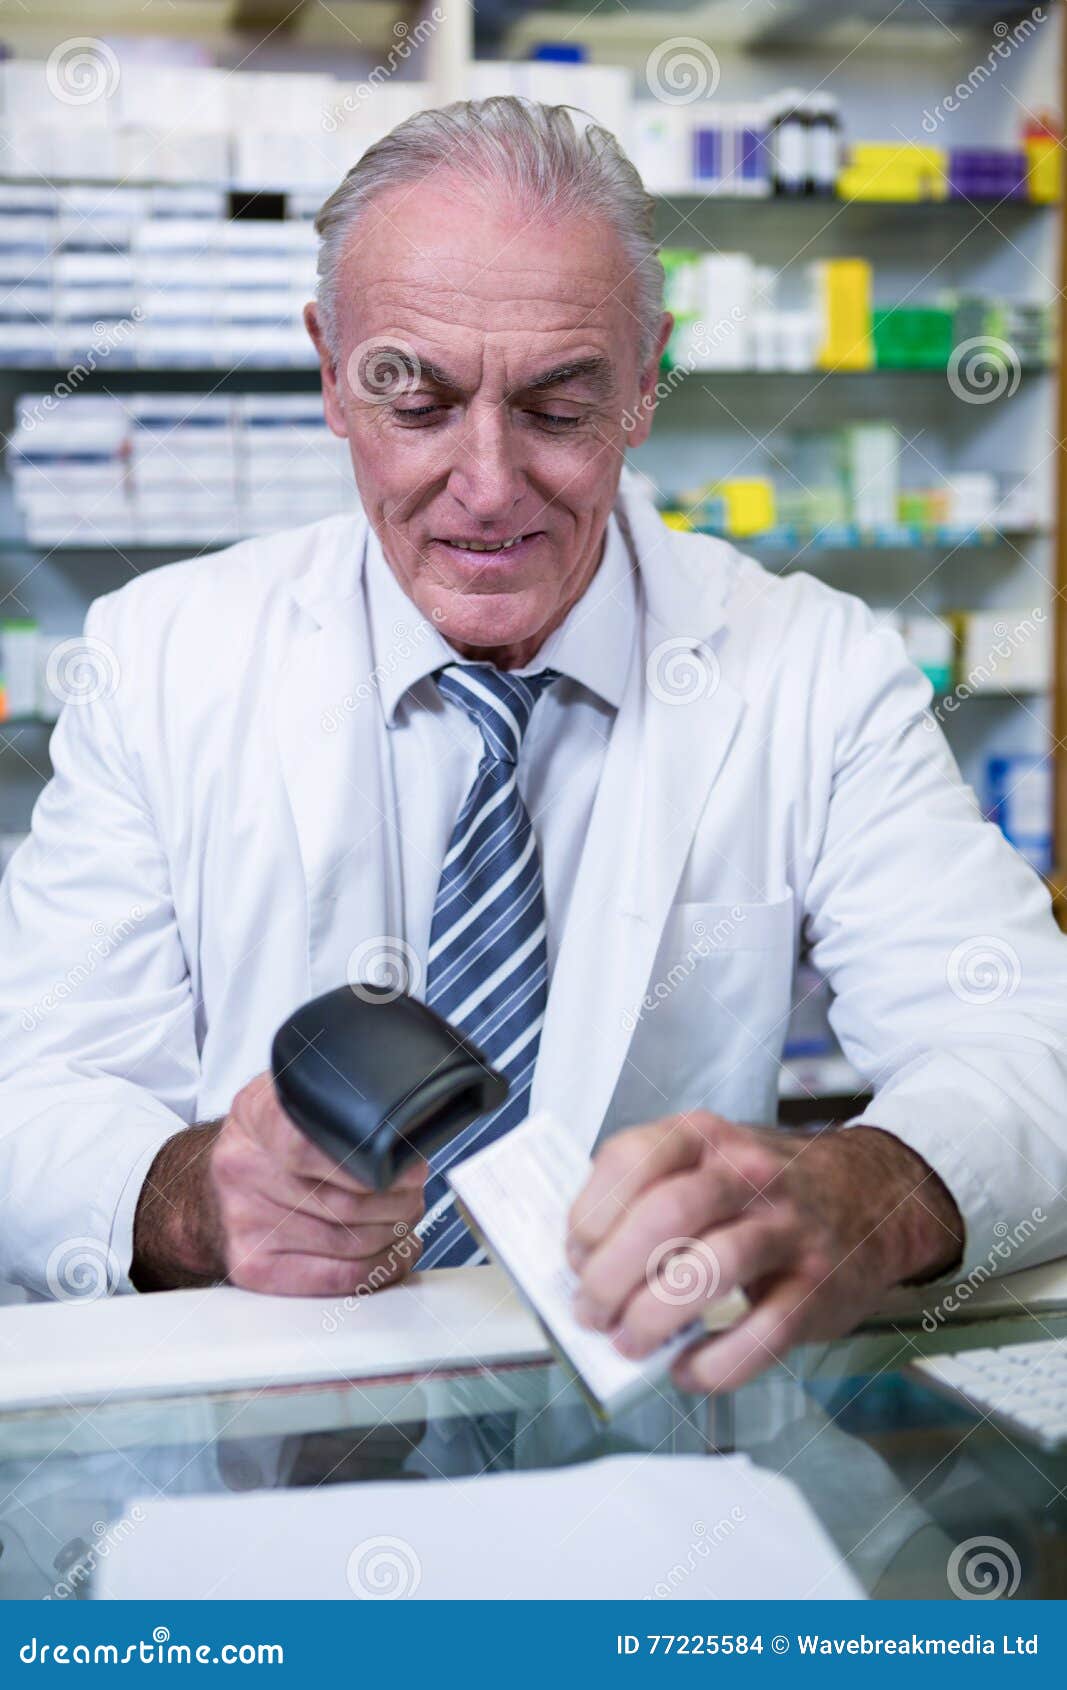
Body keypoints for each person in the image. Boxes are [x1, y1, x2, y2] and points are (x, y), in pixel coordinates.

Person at [1, 98, 1065, 1396]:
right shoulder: (164, 655)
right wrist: (193, 1196)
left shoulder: (813, 670)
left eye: (559, 407)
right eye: (416, 400)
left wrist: (866, 1190)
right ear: (329, 373)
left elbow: (1032, 1047)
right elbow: (35, 1086)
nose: (490, 485)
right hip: (259, 1423)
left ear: (647, 379)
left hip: (659, 1421)